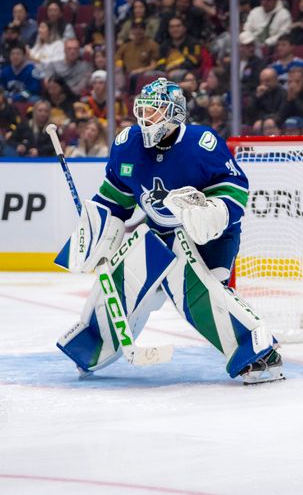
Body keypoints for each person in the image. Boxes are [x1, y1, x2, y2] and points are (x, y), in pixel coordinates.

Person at [54, 77, 284, 385]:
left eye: (155, 112)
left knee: (202, 293)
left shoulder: (202, 144)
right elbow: (113, 201)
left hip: (210, 238)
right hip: (160, 233)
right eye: (143, 111)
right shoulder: (128, 145)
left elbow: (235, 192)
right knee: (124, 280)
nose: (146, 119)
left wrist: (208, 214)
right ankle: (92, 343)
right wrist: (94, 233)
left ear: (175, 113)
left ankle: (259, 353)